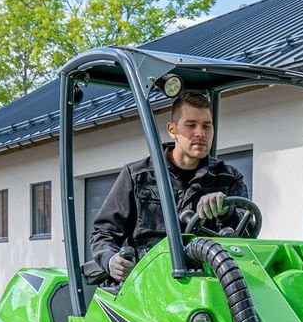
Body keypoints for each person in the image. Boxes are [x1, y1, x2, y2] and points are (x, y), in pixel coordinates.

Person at [86, 92, 248, 285]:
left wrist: (226, 212)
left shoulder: (228, 178)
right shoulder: (137, 176)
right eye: (191, 125)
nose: (200, 133)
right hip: (148, 285)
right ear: (172, 130)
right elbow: (103, 233)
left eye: (206, 126)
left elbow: (247, 239)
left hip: (208, 285)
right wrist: (111, 260)